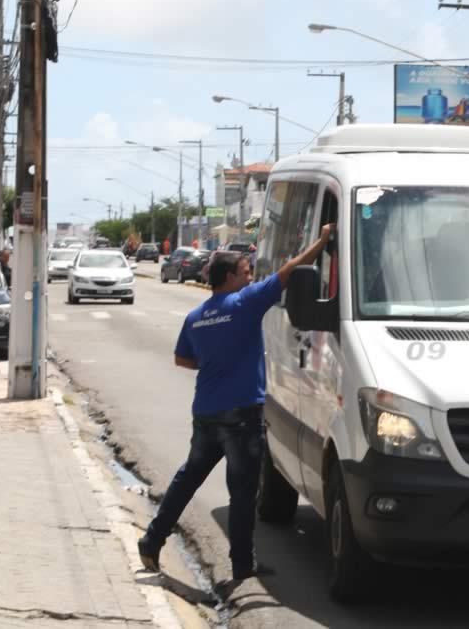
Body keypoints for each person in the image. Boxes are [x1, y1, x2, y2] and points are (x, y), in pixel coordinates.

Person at [137, 223, 335, 582]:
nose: (249, 277)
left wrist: (214, 360)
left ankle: (152, 540)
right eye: (245, 272)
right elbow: (288, 273)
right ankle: (243, 567)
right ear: (229, 276)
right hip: (241, 417)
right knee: (243, 493)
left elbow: (183, 360)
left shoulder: (196, 317)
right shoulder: (245, 302)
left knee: (187, 480)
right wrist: (321, 242)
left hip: (207, 413)